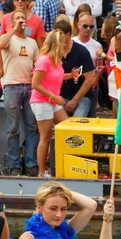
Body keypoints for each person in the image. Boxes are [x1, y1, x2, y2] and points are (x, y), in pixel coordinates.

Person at [0, 9, 39, 177]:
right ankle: (14, 166)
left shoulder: (32, 42)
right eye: (17, 18)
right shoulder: (7, 38)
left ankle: (31, 165)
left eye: (23, 17)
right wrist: (14, 29)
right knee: (13, 128)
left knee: (32, 127)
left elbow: (37, 64)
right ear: (11, 22)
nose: (22, 20)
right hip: (12, 86)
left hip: (30, 87)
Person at [30, 30, 69, 178]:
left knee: (66, 126)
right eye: (63, 42)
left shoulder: (55, 60)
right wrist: (54, 96)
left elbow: (53, 77)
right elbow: (35, 83)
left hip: (51, 100)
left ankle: (54, 163)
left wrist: (70, 76)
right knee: (45, 136)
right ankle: (41, 171)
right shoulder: (44, 60)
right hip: (41, 100)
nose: (65, 44)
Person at [56, 19, 95, 118]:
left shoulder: (82, 52)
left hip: (81, 97)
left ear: (67, 35)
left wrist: (75, 100)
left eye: (59, 34)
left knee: (77, 124)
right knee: (58, 127)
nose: (56, 37)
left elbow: (89, 80)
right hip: (60, 96)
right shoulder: (54, 52)